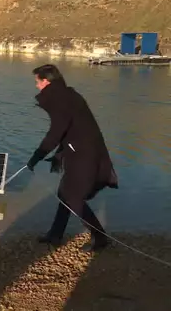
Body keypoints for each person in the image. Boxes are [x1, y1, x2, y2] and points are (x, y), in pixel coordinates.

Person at [26, 64, 119, 252]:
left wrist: (38, 155)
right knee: (64, 194)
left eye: (37, 81)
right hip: (78, 150)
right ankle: (55, 235)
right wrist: (58, 155)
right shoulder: (65, 95)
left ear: (46, 81)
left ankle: (100, 237)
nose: (36, 86)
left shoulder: (61, 99)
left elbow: (57, 131)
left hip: (85, 153)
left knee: (73, 196)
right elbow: (69, 130)